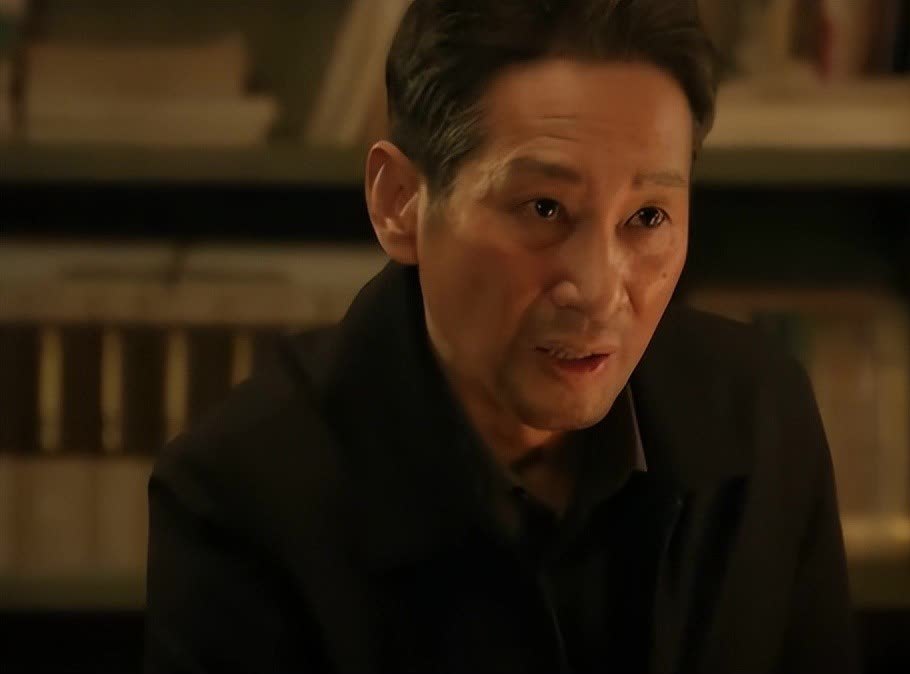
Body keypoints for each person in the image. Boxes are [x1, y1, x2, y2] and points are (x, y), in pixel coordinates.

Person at [144, 1, 859, 672]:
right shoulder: (237, 496)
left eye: (647, 218)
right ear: (399, 203)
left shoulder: (762, 416)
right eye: (544, 208)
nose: (598, 290)